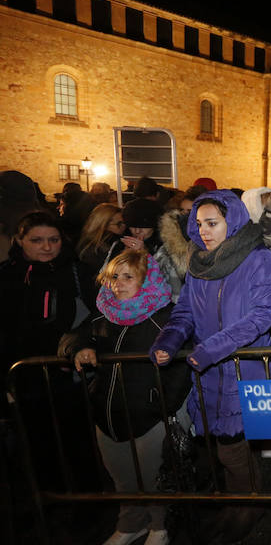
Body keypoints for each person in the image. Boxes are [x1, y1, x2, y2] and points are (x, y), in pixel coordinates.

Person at [150, 190, 271, 544]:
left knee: (232, 445)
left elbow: (262, 315)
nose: (203, 230)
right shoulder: (199, 263)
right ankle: (247, 500)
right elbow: (185, 313)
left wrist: (214, 347)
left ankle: (246, 506)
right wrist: (168, 342)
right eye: (198, 223)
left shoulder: (257, 258)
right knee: (225, 444)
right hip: (209, 370)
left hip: (245, 367)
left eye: (212, 223)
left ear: (232, 220)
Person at [72, 250, 191, 545]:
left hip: (148, 415)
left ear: (147, 280)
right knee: (121, 475)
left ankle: (159, 525)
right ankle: (130, 524)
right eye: (114, 276)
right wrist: (79, 348)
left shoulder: (165, 317)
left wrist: (161, 406)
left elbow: (181, 368)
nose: (117, 284)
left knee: (154, 475)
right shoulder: (103, 312)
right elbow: (73, 336)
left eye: (128, 277)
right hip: (107, 413)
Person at [0, 212, 93, 488]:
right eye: (37, 240)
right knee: (35, 444)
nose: (46, 247)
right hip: (22, 376)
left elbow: (98, 315)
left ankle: (85, 500)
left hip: (68, 376)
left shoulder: (77, 272)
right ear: (20, 240)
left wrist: (81, 342)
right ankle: (47, 500)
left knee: (78, 441)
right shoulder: (7, 275)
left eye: (53, 240)